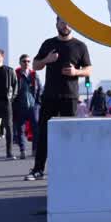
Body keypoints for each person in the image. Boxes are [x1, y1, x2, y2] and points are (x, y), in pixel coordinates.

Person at [26, 15, 93, 181]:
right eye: (62, 21)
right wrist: (47, 60)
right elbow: (35, 65)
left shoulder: (80, 46)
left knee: (69, 135)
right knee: (44, 134)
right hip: (49, 95)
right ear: (56, 23)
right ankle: (38, 169)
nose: (65, 25)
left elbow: (89, 69)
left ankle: (68, 170)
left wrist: (76, 72)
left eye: (68, 22)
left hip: (70, 96)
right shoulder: (48, 44)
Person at [14, 54, 39, 159]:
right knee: (20, 130)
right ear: (20, 63)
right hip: (20, 106)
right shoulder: (16, 75)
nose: (26, 63)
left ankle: (35, 150)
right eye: (24, 61)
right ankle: (22, 151)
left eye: (28, 61)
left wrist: (38, 103)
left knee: (36, 129)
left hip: (33, 106)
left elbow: (40, 88)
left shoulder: (34, 74)